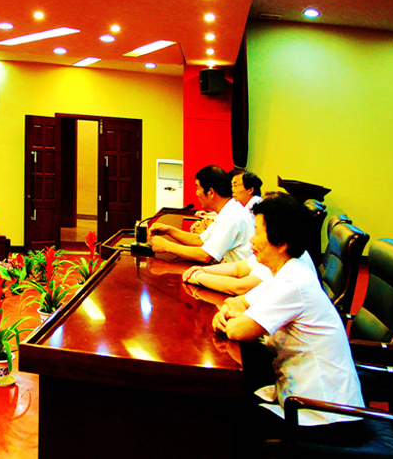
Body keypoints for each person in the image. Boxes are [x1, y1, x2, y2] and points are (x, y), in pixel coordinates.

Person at [211, 194, 364, 435]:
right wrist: (229, 311)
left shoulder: (293, 282)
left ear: (281, 243)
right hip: (301, 398)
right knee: (232, 402)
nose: (251, 239)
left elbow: (240, 331)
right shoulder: (286, 271)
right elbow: (239, 302)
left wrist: (227, 318)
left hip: (327, 416)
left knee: (225, 417)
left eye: (257, 232)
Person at [150, 165, 254, 264]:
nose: (196, 193)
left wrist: (167, 246)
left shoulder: (232, 216)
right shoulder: (228, 211)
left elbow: (205, 256)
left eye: (198, 188)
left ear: (210, 192)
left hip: (243, 274)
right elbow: (200, 240)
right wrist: (169, 230)